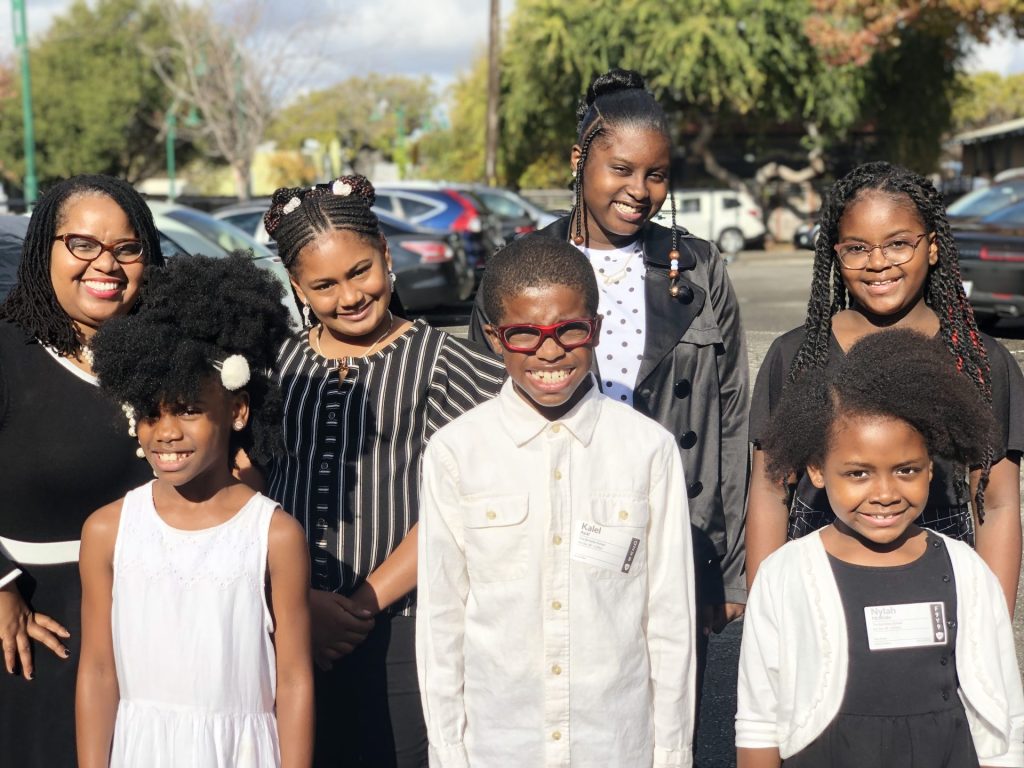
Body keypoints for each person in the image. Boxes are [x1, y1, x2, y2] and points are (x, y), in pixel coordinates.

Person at [468, 67, 749, 673]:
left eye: (656, 174)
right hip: (550, 531)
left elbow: (731, 422)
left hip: (675, 533)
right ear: (579, 160)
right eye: (621, 169)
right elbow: (480, 414)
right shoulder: (519, 266)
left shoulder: (699, 268)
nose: (639, 190)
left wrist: (728, 568)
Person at [418, 237, 696, 767]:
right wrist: (449, 753)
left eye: (570, 330)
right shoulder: (456, 452)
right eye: (526, 334)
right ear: (497, 339)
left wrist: (672, 754)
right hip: (500, 746)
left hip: (614, 744)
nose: (550, 352)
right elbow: (441, 622)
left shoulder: (647, 450)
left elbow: (669, 621)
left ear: (596, 326)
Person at [262, 174, 505, 768]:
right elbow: (251, 485)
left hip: (401, 629)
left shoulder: (449, 365)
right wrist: (294, 602)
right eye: (323, 285)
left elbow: (463, 506)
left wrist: (363, 604)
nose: (348, 296)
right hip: (282, 625)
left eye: (360, 272)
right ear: (297, 286)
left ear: (387, 258)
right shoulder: (276, 364)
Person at [736, 328, 1024, 768]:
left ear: (932, 467)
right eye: (858, 474)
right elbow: (758, 717)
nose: (885, 493)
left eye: (906, 470)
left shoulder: (967, 571)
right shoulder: (784, 574)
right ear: (815, 469)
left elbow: (1007, 714)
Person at [745, 161, 1024, 614]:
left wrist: (989, 627)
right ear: (836, 254)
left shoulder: (979, 361)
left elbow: (999, 503)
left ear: (932, 248)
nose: (878, 262)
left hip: (940, 586)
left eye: (898, 244)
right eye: (857, 247)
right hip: (818, 595)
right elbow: (769, 491)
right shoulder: (796, 357)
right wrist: (764, 618)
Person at [76, 254, 312, 767]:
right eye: (151, 413)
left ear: (238, 409)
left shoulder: (274, 535)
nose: (166, 432)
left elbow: (293, 678)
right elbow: (96, 669)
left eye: (187, 410)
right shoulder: (107, 530)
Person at [0, 174, 164, 764]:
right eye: (83, 244)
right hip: (40, 635)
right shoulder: (7, 351)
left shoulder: (169, 354)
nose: (107, 264)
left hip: (157, 630)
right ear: (46, 247)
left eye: (127, 248)